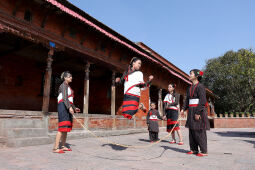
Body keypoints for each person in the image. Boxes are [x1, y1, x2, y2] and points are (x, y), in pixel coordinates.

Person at [180, 69, 210, 157]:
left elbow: (203, 101)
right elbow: (187, 101)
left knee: (199, 130)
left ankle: (204, 151)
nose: (189, 75)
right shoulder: (189, 88)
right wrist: (183, 109)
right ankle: (194, 149)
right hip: (191, 110)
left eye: (191, 74)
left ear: (196, 76)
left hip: (198, 110)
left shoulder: (200, 86)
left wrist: (198, 113)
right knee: (192, 130)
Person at [53, 71, 80, 153]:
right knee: (61, 128)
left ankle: (63, 146)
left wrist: (74, 108)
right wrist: (69, 107)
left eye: (71, 76)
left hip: (67, 106)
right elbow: (64, 98)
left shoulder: (68, 86)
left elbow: (69, 100)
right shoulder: (63, 85)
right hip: (63, 106)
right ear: (65, 78)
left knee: (66, 128)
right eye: (69, 76)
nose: (71, 78)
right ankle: (55, 148)